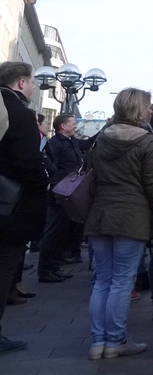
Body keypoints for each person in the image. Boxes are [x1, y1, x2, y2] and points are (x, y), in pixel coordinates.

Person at [85, 87, 153, 360]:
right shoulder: (146, 141)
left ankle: (98, 342)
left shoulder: (101, 138)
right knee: (121, 282)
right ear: (139, 110)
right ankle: (116, 340)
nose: (150, 110)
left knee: (101, 281)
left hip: (99, 214)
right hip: (131, 215)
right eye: (148, 106)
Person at [0, 61, 48, 355]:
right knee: (4, 267)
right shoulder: (20, 113)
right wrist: (43, 182)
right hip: (9, 207)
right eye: (32, 82)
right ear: (20, 83)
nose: (33, 87)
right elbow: (28, 162)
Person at [37, 113, 83, 281]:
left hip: (69, 192)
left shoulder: (72, 142)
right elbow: (50, 167)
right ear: (63, 126)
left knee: (61, 232)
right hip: (59, 192)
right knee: (53, 232)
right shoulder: (55, 144)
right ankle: (46, 270)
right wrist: (55, 187)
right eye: (73, 123)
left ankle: (55, 266)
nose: (75, 125)